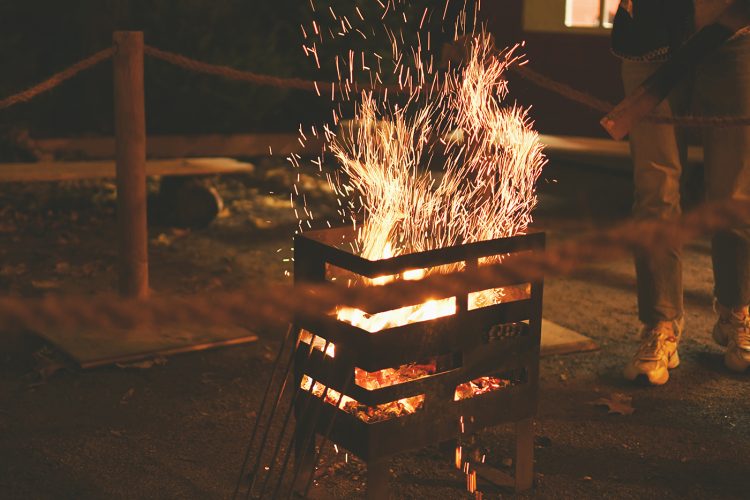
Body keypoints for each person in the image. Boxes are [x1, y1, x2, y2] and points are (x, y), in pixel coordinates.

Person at [611, 0, 750, 384]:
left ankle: (736, 311)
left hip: (734, 29)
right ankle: (661, 325)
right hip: (650, 38)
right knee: (655, 190)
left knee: (733, 192)